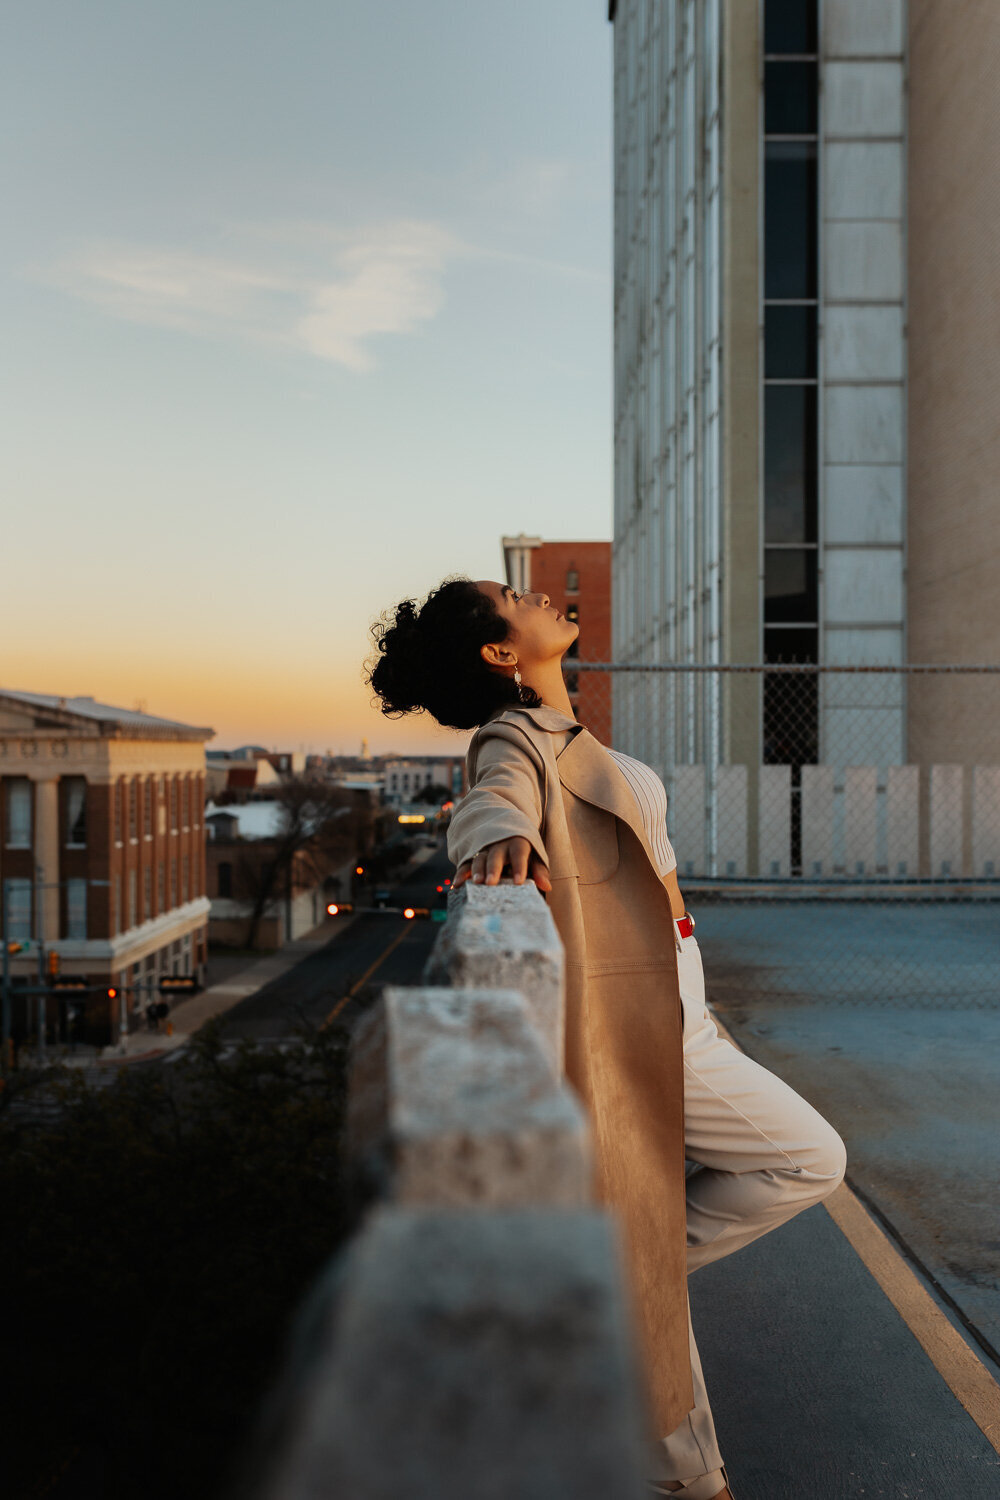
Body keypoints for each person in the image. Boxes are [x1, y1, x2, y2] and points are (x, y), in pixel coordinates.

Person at [365, 575, 847, 1499]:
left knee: (734, 1187)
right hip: (636, 1017)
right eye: (514, 594)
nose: (539, 592)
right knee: (804, 1159)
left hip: (679, 1004)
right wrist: (496, 834)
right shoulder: (516, 735)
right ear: (502, 653)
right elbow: (492, 791)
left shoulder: (570, 733)